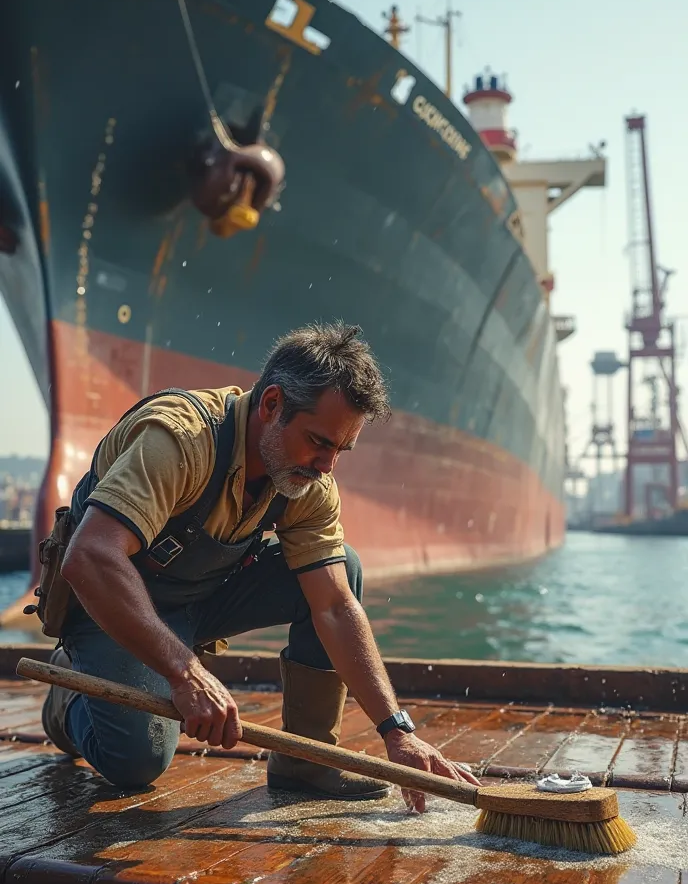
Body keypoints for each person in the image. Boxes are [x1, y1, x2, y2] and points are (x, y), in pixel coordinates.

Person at [43, 321, 479, 811]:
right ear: (272, 405)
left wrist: (397, 732)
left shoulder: (308, 482)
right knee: (136, 764)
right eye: (318, 441)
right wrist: (186, 672)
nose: (327, 465)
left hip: (198, 601)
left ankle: (306, 765)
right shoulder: (179, 441)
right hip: (110, 600)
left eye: (340, 449)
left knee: (343, 569)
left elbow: (333, 606)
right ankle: (70, 695)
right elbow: (91, 557)